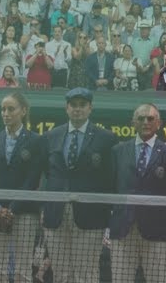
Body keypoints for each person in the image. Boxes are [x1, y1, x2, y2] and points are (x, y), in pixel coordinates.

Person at [40, 87, 116, 283]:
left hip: (90, 216)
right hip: (56, 214)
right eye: (73, 105)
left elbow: (110, 179)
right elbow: (50, 173)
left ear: (90, 108)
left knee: (86, 273)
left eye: (82, 105)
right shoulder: (51, 136)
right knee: (61, 273)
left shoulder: (106, 138)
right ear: (67, 108)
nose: (77, 109)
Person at [109, 103, 166, 283]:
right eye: (140, 118)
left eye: (150, 118)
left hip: (157, 230)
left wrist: (152, 212)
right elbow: (111, 187)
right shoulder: (118, 151)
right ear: (133, 123)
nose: (145, 122)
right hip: (122, 229)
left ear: (159, 123)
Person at [0, 91, 46, 283]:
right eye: (3, 109)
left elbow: (32, 180)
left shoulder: (37, 141)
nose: (6, 113)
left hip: (24, 213)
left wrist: (12, 210)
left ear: (23, 111)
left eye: (11, 109)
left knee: (23, 267)